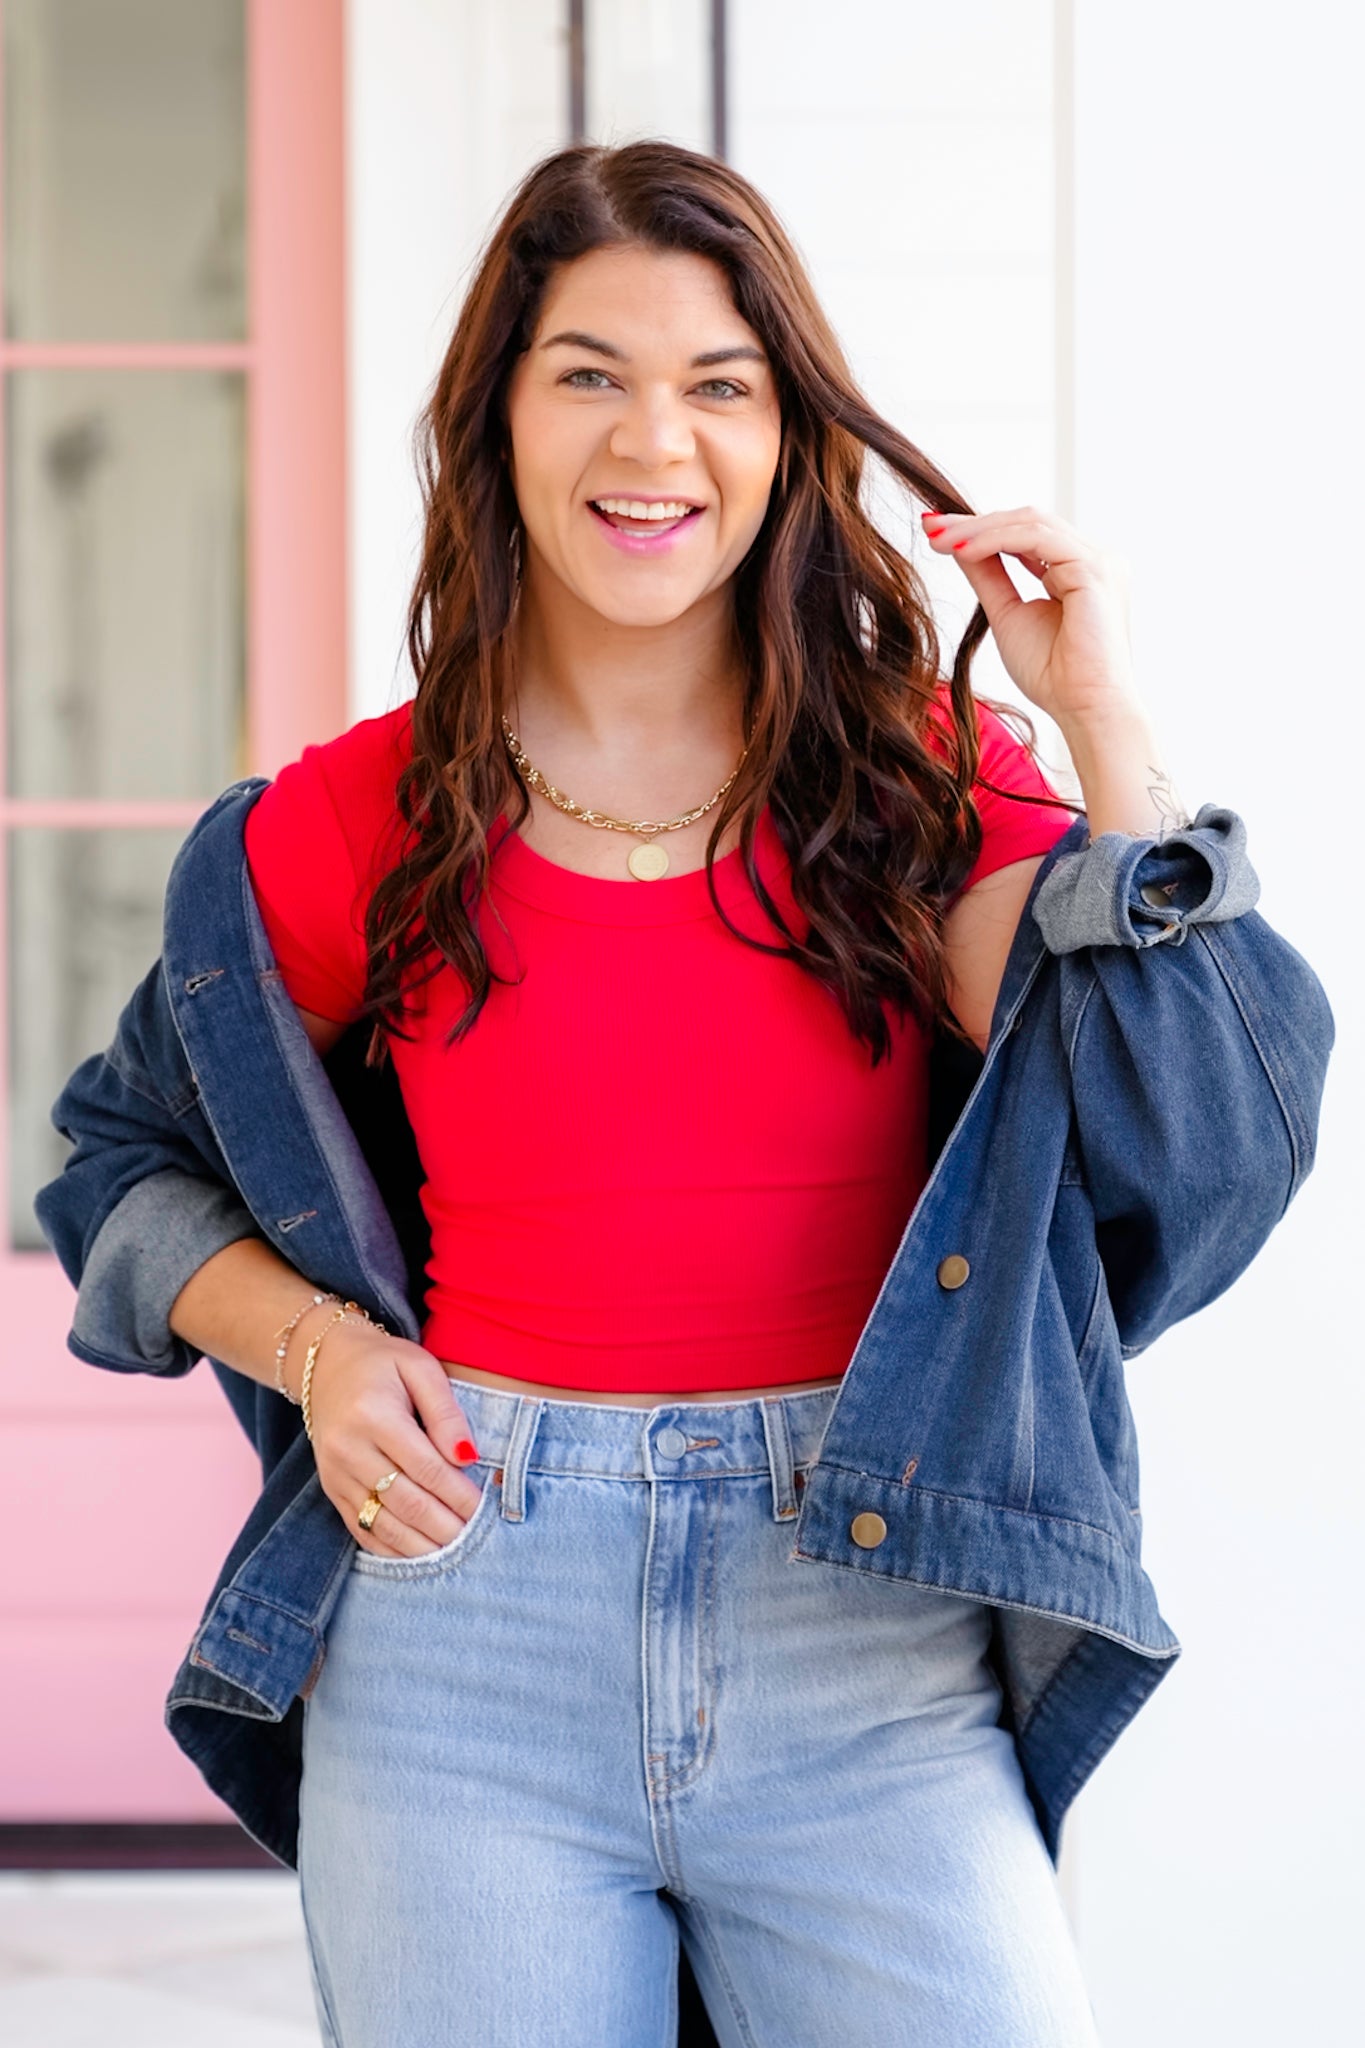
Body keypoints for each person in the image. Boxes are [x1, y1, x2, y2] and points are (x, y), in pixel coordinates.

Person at [33, 142, 1333, 2048]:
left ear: (788, 436)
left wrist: (1102, 727)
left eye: (719, 383)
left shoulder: (920, 789)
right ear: (495, 419)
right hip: (464, 1620)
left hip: (864, 1624)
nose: (655, 439)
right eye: (589, 372)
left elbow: (1192, 1130)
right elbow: (118, 1158)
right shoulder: (350, 823)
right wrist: (309, 1350)